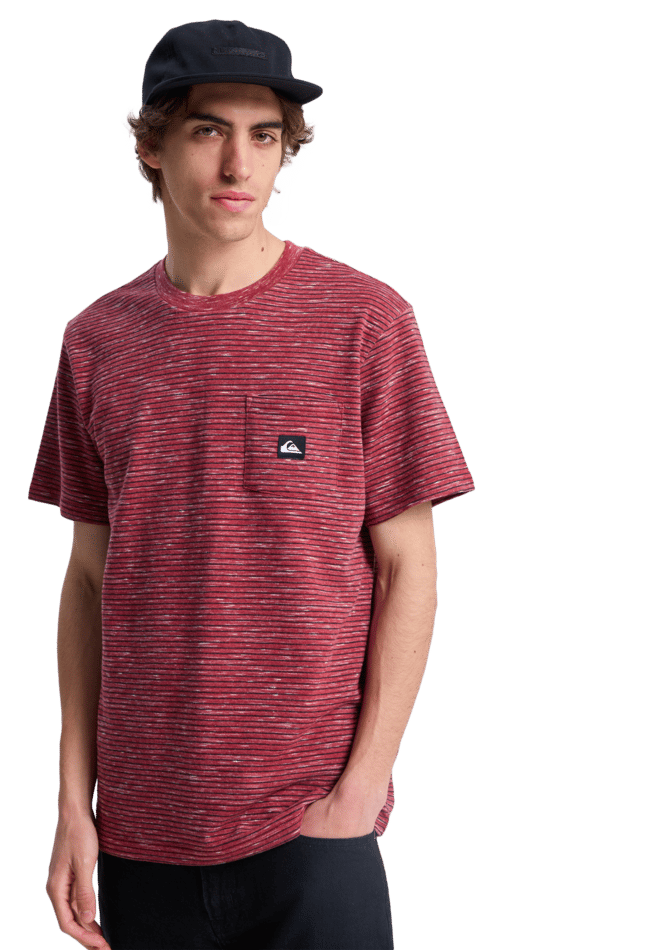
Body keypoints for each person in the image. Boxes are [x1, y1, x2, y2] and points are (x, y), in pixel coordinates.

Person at [27, 18, 475, 950]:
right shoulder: (96, 342)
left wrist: (359, 790)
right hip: (141, 833)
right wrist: (74, 805)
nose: (240, 165)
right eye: (208, 131)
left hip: (310, 826)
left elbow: (410, 568)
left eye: (264, 135)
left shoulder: (365, 321)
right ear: (151, 147)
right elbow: (89, 581)